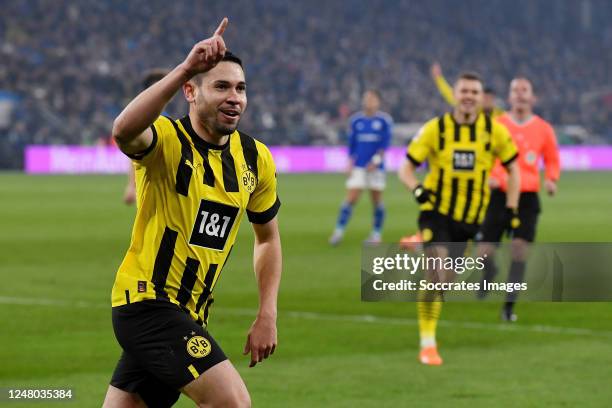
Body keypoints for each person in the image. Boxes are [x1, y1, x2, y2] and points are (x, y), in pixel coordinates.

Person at [103, 18, 282, 407]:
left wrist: (267, 313)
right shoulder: (167, 140)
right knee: (232, 402)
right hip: (147, 303)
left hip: (190, 313)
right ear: (190, 92)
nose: (234, 97)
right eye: (220, 86)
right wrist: (186, 66)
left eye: (240, 88)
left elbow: (268, 237)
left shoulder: (255, 159)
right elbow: (123, 131)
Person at [398, 72, 520, 366]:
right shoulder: (435, 129)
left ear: (481, 98)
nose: (468, 96)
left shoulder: (494, 132)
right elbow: (406, 168)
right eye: (464, 91)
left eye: (474, 92)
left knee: (444, 283)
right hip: (436, 213)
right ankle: (428, 344)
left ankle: (419, 246)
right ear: (455, 94)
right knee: (437, 273)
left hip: (470, 221)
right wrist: (417, 190)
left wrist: (512, 209)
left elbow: (514, 169)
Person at [476, 77, 560, 321]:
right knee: (484, 252)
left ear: (533, 97)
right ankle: (488, 273)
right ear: (510, 97)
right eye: (516, 91)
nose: (520, 95)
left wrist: (551, 178)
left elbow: (552, 159)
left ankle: (508, 307)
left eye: (525, 91)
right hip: (500, 194)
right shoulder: (498, 125)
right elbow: (486, 156)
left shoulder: (543, 128)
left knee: (519, 250)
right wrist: (491, 175)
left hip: (527, 197)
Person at [329, 89, 393, 245]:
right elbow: (352, 146)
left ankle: (376, 235)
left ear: (378, 102)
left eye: (372, 99)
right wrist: (349, 162)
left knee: (377, 201)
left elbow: (384, 145)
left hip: (376, 168)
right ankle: (338, 232)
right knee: (351, 198)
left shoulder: (384, 121)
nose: (368, 101)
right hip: (358, 166)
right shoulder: (356, 121)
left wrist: (376, 161)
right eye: (366, 98)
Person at [123, 69, 169, 205]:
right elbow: (134, 155)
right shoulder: (144, 121)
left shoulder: (166, 118)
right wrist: (131, 186)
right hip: (151, 185)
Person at [430, 62, 505, 118]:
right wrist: (439, 79)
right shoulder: (472, 108)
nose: (487, 101)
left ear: (494, 100)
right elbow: (450, 95)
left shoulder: (500, 115)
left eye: (489, 98)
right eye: (485, 98)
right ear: (481, 97)